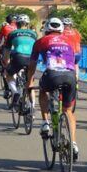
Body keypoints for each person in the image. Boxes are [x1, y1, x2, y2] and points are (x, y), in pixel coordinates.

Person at [26, 18, 79, 160]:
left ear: (46, 30)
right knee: (68, 111)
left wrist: (29, 83)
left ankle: (45, 122)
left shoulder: (41, 41)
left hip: (52, 75)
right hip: (70, 76)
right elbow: (76, 60)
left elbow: (32, 65)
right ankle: (73, 143)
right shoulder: (69, 40)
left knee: (43, 90)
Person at [3, 14, 38, 105]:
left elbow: (7, 51)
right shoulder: (34, 34)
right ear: (27, 24)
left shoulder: (12, 34)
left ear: (17, 24)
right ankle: (32, 107)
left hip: (18, 57)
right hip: (31, 59)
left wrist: (6, 63)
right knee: (30, 83)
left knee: (8, 74)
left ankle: (15, 92)